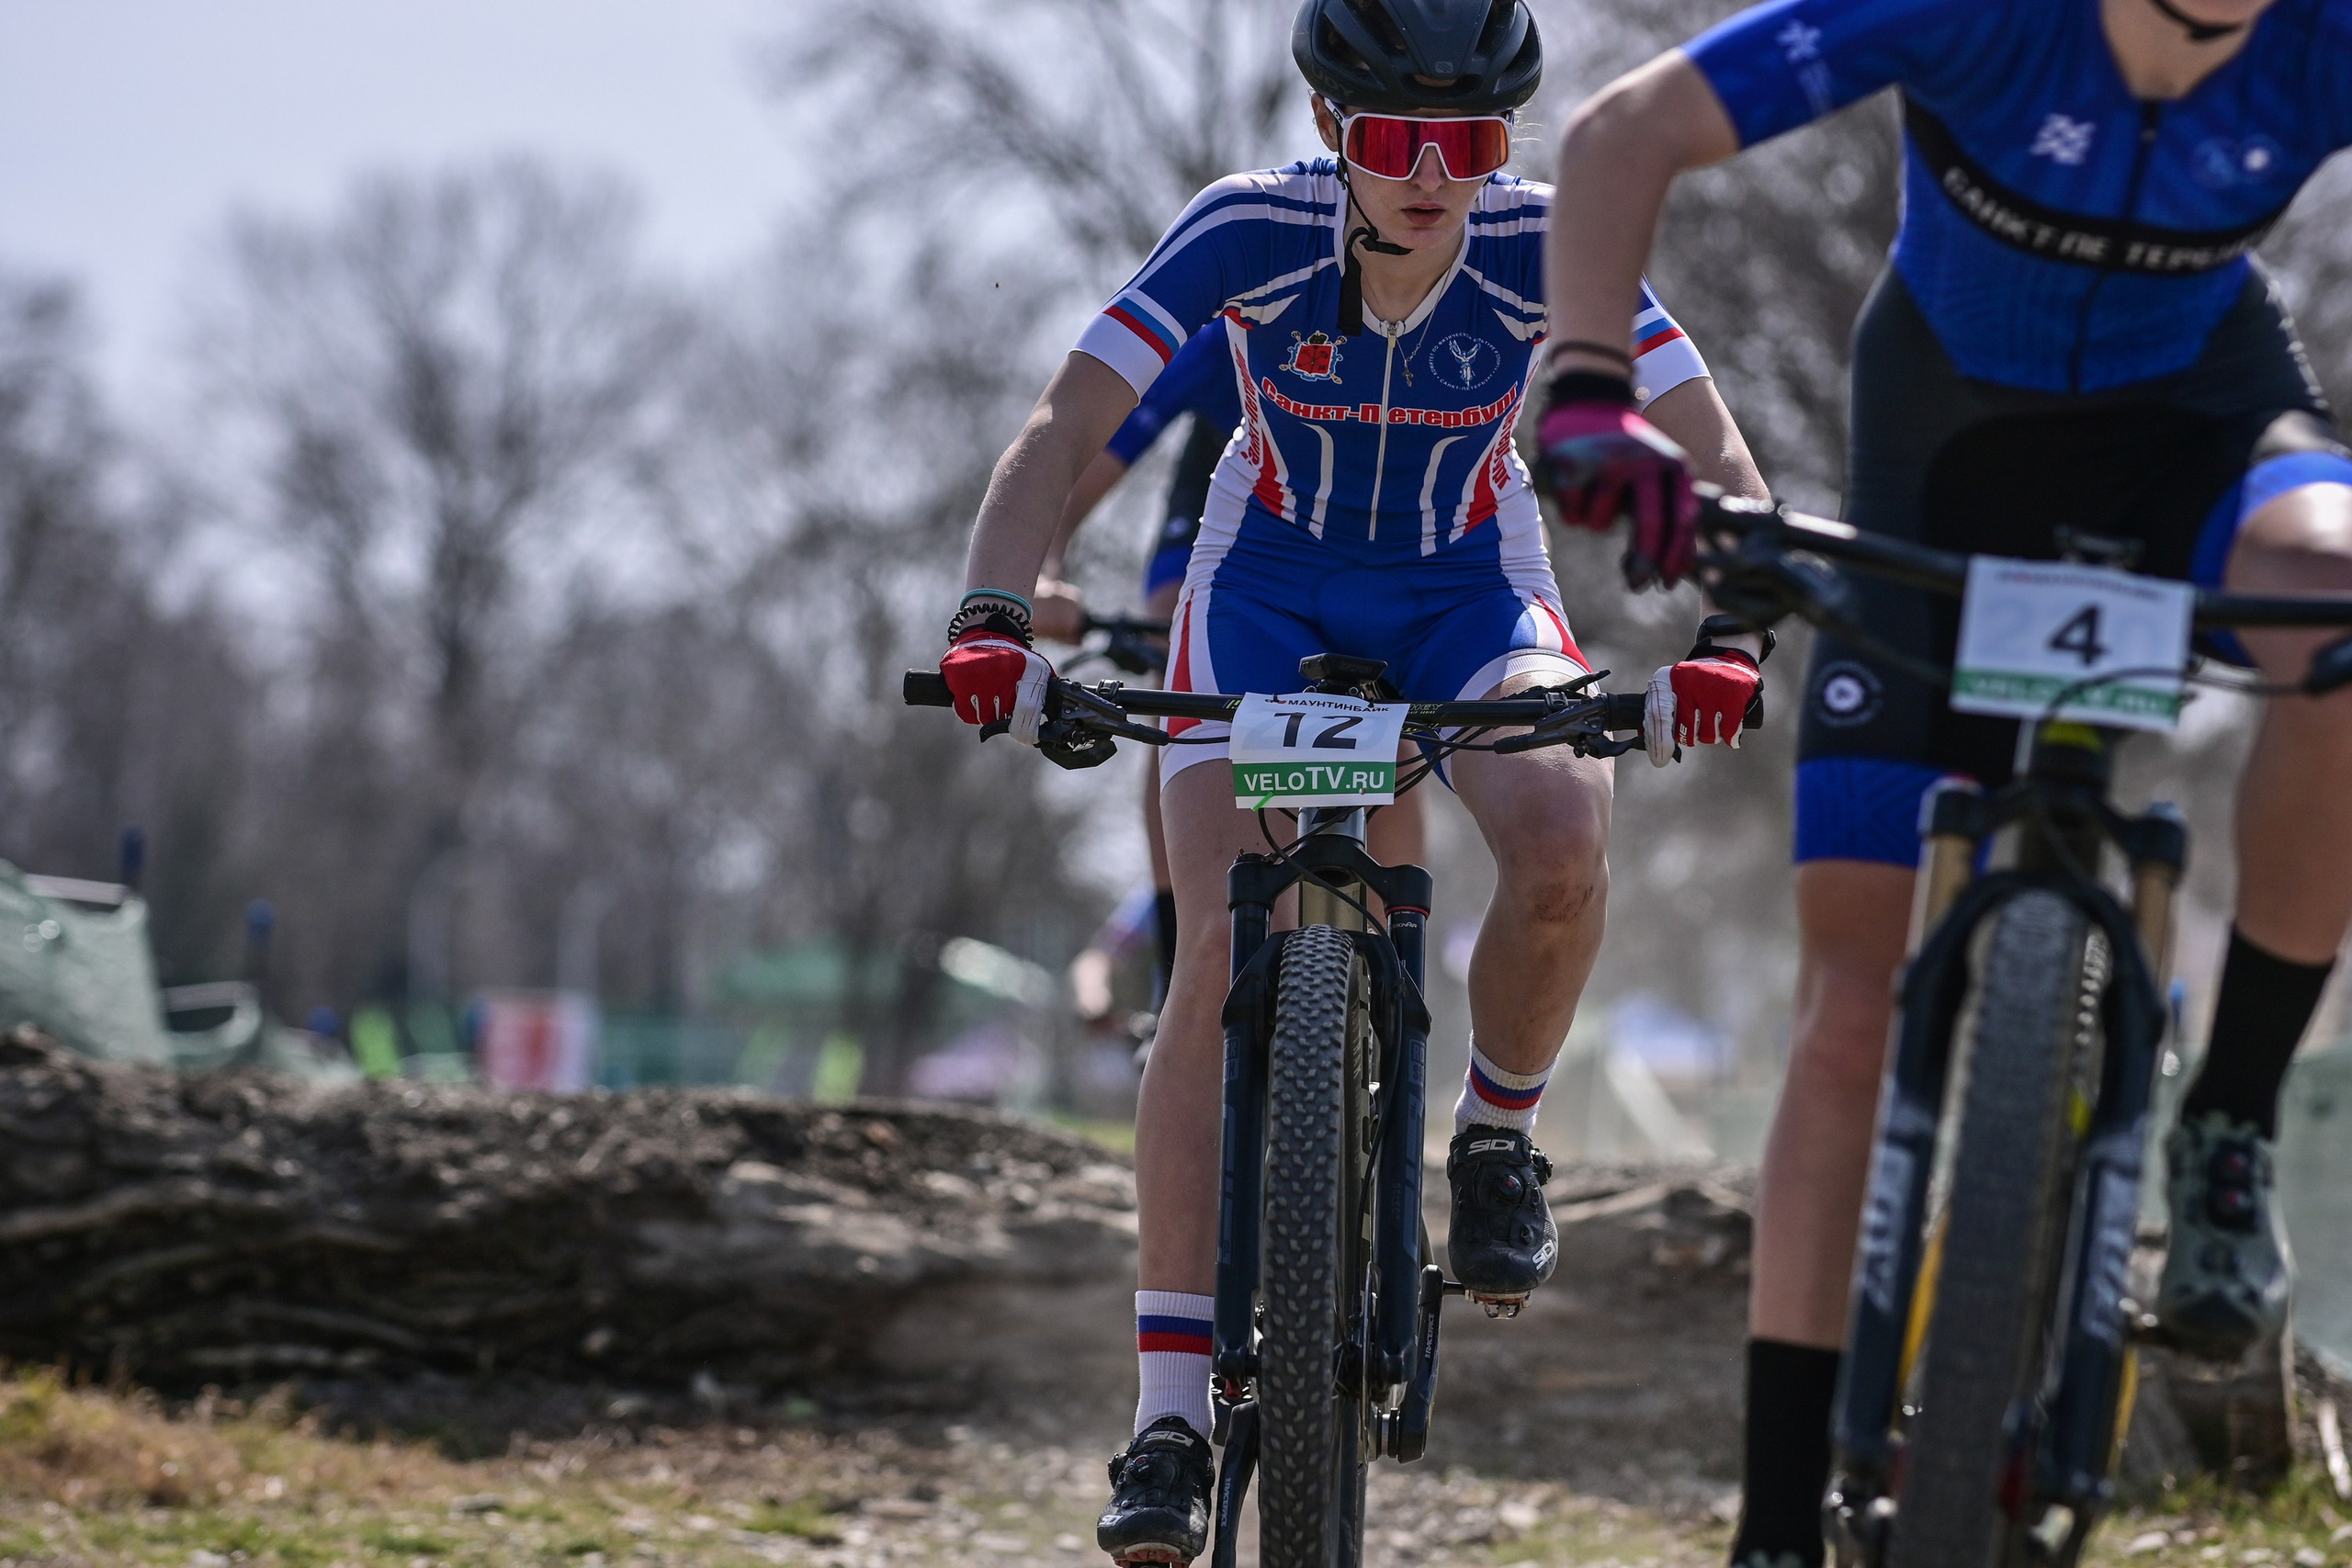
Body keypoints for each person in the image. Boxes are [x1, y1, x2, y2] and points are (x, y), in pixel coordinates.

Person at [941, 1, 1773, 1560]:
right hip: (1268, 580)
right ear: (1332, 129)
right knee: (1214, 949)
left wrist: (1732, 634)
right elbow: (1066, 422)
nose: (1433, 175)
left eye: (1472, 141)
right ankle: (1170, 1412)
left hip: (1468, 582)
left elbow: (1713, 446)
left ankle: (1499, 1129)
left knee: (1560, 829)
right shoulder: (1246, 228)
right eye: (1395, 139)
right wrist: (992, 609)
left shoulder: (1540, 240)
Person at [1533, 3, 2352, 1565]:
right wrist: (1588, 394)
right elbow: (1622, 131)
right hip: (1951, 460)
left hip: (2207, 431)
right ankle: (1777, 1522)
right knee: (1851, 1006)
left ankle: (2229, 1123)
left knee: (2337, 618)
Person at [1031, 323, 1428, 1003]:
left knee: (1394, 710)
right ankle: (1182, 947)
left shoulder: (1410, 333)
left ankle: (1399, 984)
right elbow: (1090, 455)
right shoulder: (1230, 334)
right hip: (1221, 509)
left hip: (1359, 526)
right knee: (1176, 656)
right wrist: (1045, 569)